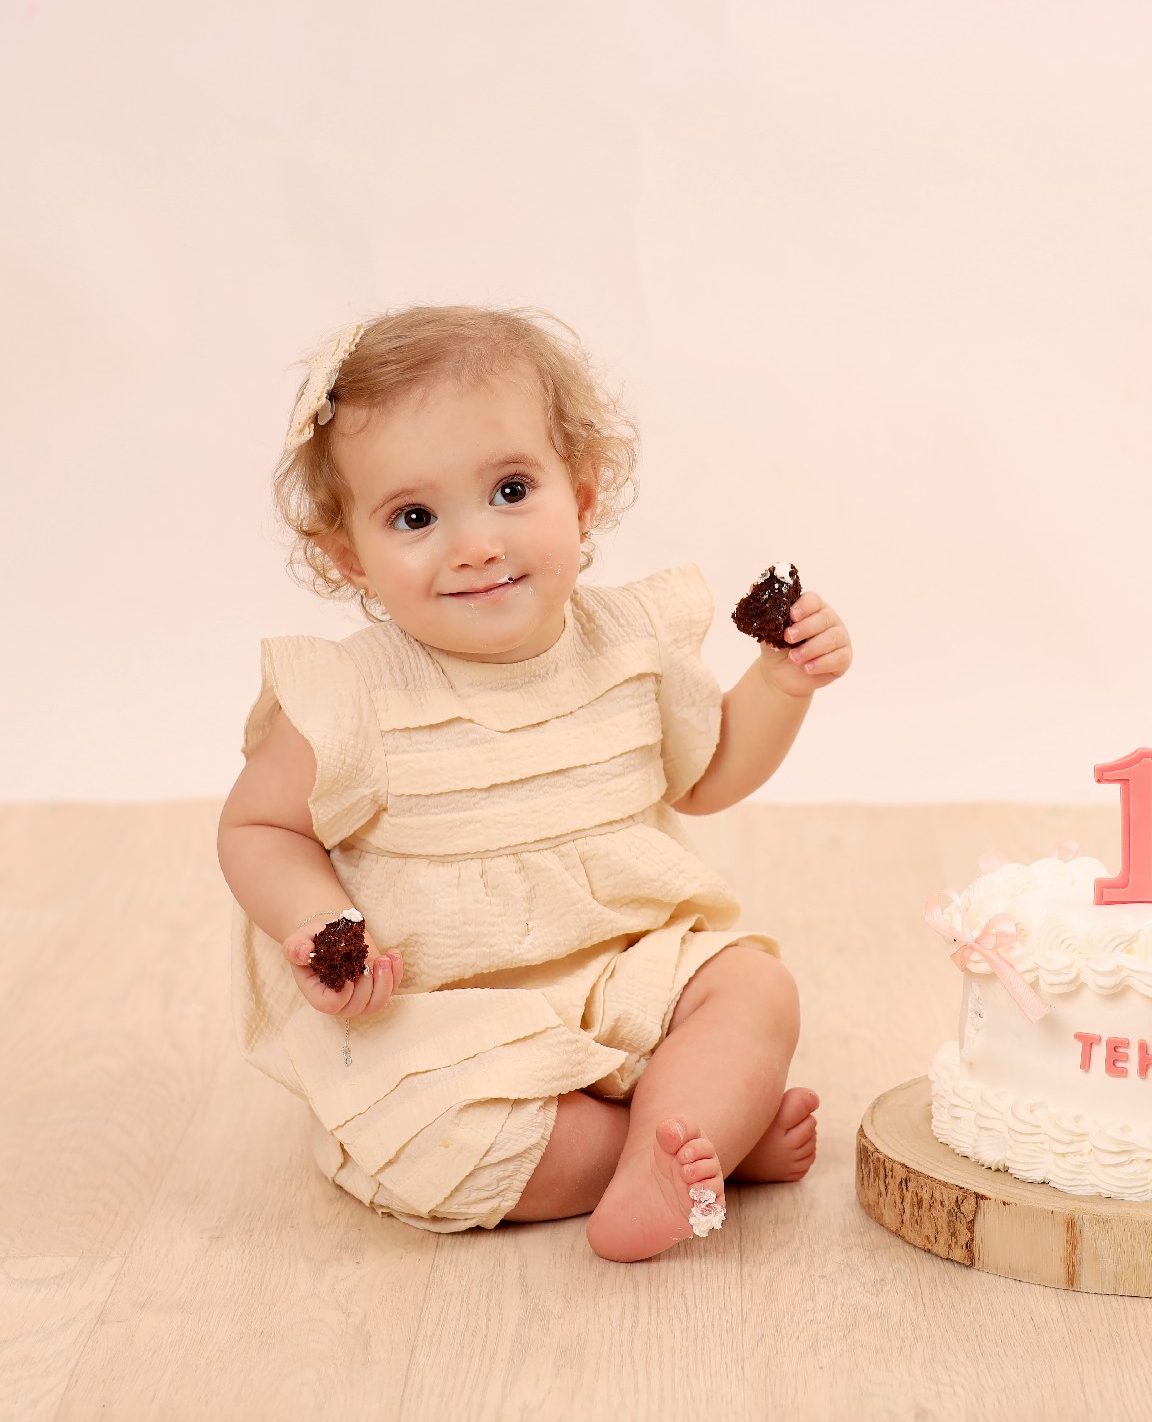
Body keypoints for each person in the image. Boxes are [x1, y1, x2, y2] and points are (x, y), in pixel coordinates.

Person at [216, 305, 852, 1261]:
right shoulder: (353, 697)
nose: (475, 544)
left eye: (511, 490)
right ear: (350, 557)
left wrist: (780, 685)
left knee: (753, 987)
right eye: (416, 517)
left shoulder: (626, 645)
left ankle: (679, 1137)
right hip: (445, 1017)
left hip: (622, 970)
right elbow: (260, 829)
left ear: (583, 500)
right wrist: (314, 920)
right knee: (451, 1142)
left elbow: (709, 775)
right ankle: (698, 1138)